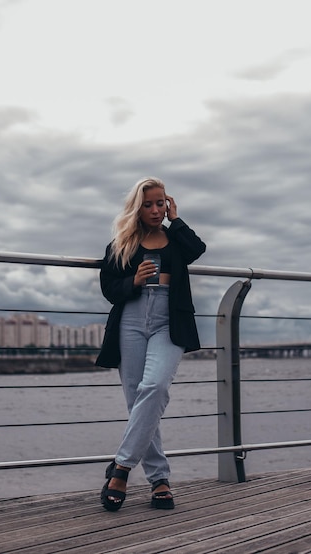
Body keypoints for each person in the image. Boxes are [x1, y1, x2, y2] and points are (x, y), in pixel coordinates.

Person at [96, 177, 206, 511]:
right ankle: (159, 479)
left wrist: (177, 219)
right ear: (137, 208)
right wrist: (135, 280)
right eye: (149, 204)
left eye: (161, 203)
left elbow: (198, 250)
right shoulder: (122, 243)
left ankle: (122, 468)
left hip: (168, 320)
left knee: (155, 387)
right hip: (130, 319)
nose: (156, 210)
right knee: (139, 401)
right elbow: (109, 287)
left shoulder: (175, 238)